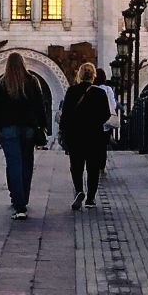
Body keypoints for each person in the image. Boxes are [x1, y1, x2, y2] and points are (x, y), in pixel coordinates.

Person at [0, 53, 46, 220]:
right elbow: (39, 105)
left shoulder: (1, 84)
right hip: (28, 128)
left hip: (8, 129)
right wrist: (42, 126)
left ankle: (19, 202)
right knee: (27, 163)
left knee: (14, 164)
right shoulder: (32, 81)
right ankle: (23, 198)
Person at [59, 62, 110, 210]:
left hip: (75, 135)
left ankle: (79, 190)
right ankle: (91, 199)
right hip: (94, 135)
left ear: (79, 75)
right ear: (93, 76)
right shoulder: (100, 93)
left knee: (76, 165)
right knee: (93, 167)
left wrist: (63, 132)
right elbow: (106, 114)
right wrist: (96, 123)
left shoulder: (72, 91)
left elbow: (65, 115)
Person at [94, 67, 117, 178]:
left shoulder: (89, 88)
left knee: (93, 143)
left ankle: (92, 164)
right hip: (105, 122)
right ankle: (101, 167)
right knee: (102, 146)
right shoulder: (108, 89)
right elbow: (113, 105)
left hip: (92, 122)